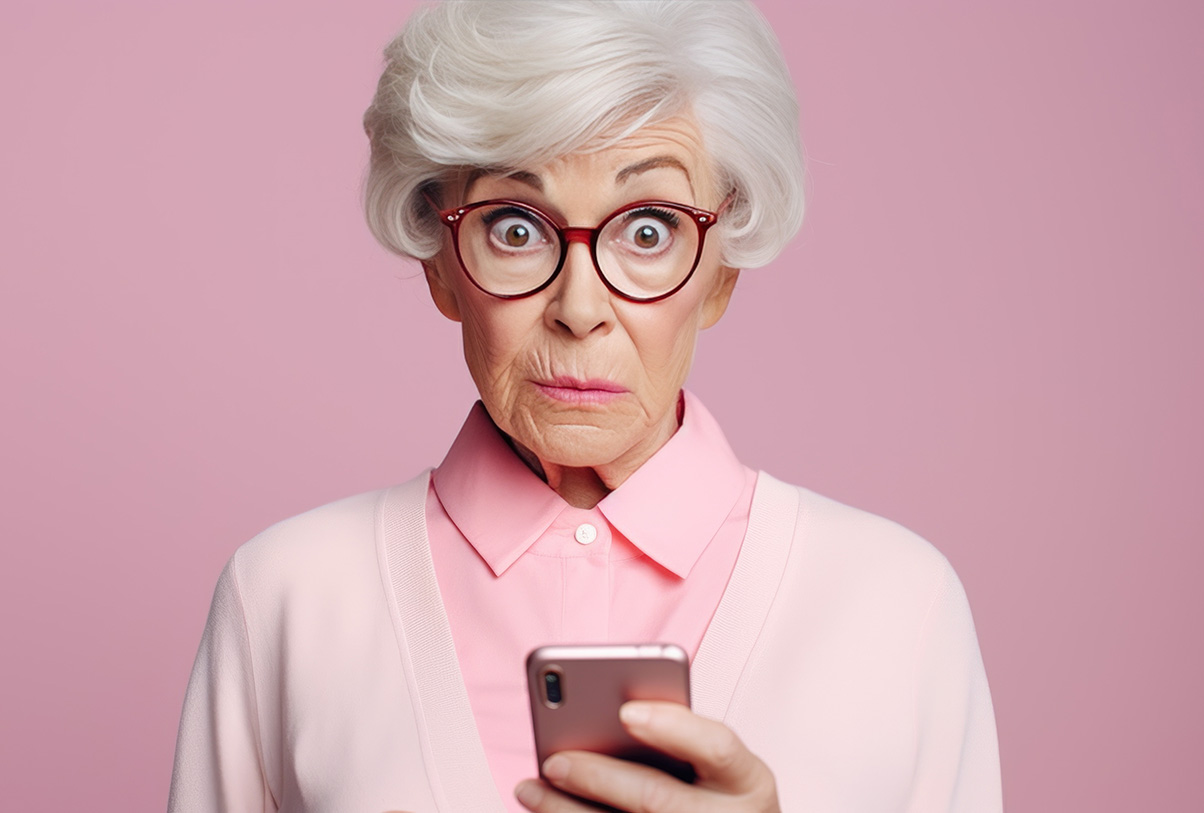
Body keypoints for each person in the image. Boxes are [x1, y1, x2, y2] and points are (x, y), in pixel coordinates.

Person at [168, 1, 1002, 811]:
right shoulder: (287, 594)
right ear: (439, 264)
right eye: (515, 226)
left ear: (722, 272)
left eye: (647, 230)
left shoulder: (897, 603)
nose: (578, 306)